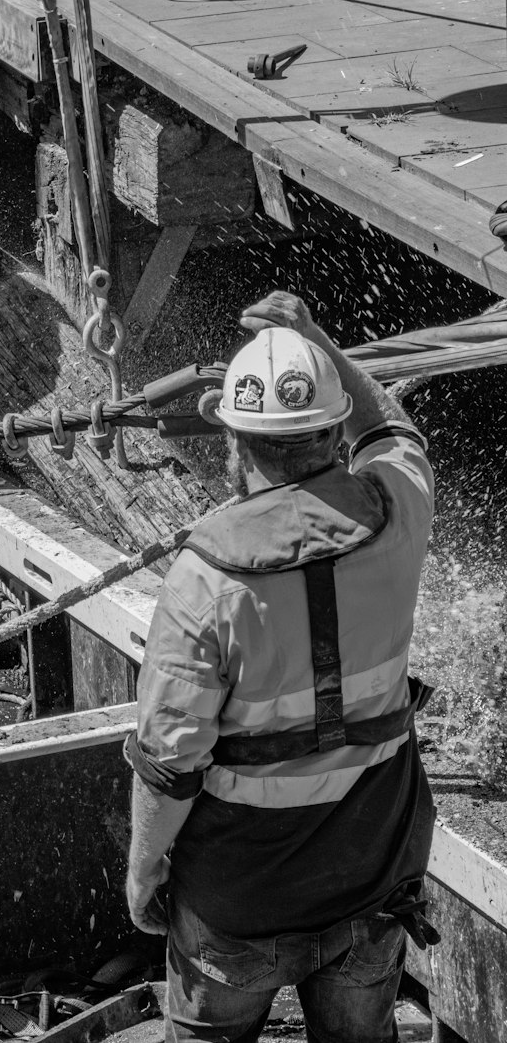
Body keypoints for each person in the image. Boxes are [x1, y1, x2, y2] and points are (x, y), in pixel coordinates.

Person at [126, 289, 437, 1043]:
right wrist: (313, 337)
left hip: (241, 899)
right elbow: (393, 428)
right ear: (333, 436)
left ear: (234, 444)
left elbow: (171, 766)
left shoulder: (205, 583)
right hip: (369, 875)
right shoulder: (399, 513)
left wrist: (144, 873)